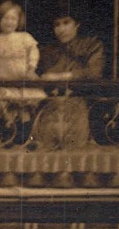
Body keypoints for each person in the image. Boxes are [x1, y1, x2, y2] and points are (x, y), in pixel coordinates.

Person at [35, 9, 105, 149]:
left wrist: (63, 76)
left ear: (76, 24)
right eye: (57, 24)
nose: (61, 29)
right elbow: (42, 76)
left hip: (81, 104)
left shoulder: (92, 45)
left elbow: (94, 73)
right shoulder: (48, 51)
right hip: (52, 108)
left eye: (66, 23)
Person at [0, 0, 44, 143]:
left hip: (22, 78)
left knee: (24, 109)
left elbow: (33, 53)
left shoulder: (24, 37)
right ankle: (8, 134)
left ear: (18, 21)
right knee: (6, 108)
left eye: (13, 18)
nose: (9, 22)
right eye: (5, 18)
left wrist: (31, 69)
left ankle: (24, 137)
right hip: (4, 79)